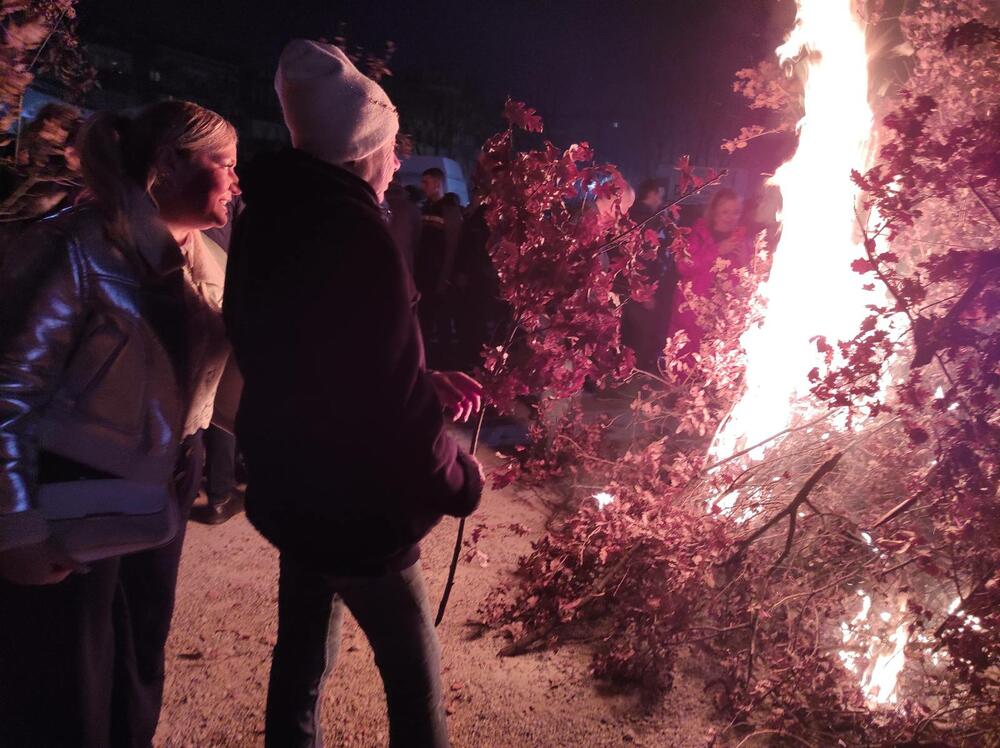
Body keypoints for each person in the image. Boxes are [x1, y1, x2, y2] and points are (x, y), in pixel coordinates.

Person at [224, 39, 485, 748]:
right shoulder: (356, 235)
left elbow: (310, 357)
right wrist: (458, 479)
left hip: (293, 487)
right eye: (392, 147)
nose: (398, 163)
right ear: (362, 150)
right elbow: (393, 409)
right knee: (413, 678)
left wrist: (420, 376)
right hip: (357, 507)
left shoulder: (267, 219)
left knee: (301, 662)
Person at [0, 99, 240, 746]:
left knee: (140, 653)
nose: (237, 181)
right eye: (224, 163)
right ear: (168, 162)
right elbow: (9, 390)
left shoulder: (211, 261)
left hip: (171, 470)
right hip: (75, 479)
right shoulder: (76, 246)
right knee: (68, 671)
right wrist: (15, 524)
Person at [667, 187, 752, 358]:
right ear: (714, 212)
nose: (731, 217)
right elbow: (683, 266)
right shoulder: (697, 235)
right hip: (693, 312)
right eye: (725, 212)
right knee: (687, 360)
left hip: (725, 316)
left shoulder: (743, 241)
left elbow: (751, 281)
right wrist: (717, 250)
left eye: (736, 212)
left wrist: (746, 262)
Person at [625, 179, 677, 371]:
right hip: (643, 290)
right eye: (660, 196)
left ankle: (631, 371)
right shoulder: (646, 220)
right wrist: (645, 293)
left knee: (634, 335)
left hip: (635, 290)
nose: (661, 200)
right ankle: (638, 373)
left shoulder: (634, 216)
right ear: (653, 194)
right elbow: (641, 258)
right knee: (642, 336)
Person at [414, 166, 463, 368]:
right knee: (424, 321)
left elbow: (452, 247)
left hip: (439, 276)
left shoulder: (448, 211)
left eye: (426, 182)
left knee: (442, 322)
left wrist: (445, 277)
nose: (422, 186)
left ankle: (445, 362)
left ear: (437, 184)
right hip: (424, 275)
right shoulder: (425, 209)